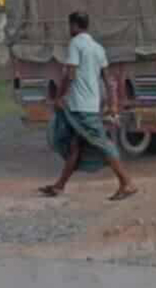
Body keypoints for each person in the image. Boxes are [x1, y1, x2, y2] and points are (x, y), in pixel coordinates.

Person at [40, 11, 138, 201]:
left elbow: (70, 75)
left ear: (74, 25)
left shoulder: (76, 44)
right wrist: (112, 104)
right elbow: (108, 80)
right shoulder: (98, 48)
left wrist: (59, 96)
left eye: (70, 26)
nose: (69, 29)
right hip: (91, 104)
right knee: (75, 145)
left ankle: (127, 183)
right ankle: (59, 186)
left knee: (103, 144)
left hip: (80, 107)